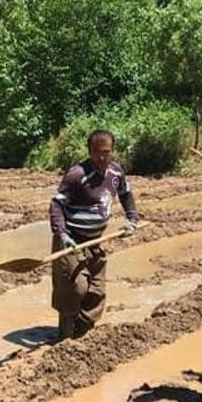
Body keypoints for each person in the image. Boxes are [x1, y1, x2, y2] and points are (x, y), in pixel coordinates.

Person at [49, 129, 140, 340]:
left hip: (95, 240)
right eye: (97, 152)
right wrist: (62, 235)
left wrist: (132, 220)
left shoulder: (116, 173)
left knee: (96, 292)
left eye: (106, 152)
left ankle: (82, 335)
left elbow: (126, 195)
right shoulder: (77, 175)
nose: (102, 157)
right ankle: (64, 339)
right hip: (71, 240)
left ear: (112, 151)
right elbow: (56, 205)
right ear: (89, 151)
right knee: (75, 288)